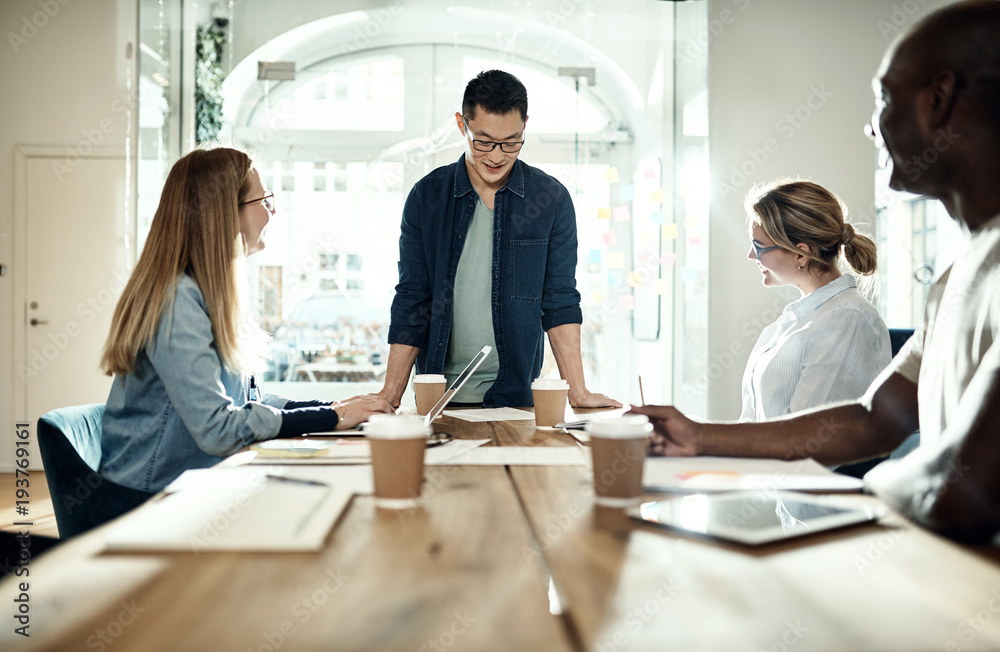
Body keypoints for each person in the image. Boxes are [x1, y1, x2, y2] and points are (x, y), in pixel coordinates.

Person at [631, 0, 1000, 542]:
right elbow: (872, 420)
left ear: (939, 99)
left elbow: (964, 491)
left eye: (883, 100)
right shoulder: (959, 269)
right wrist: (698, 436)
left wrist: (868, 491)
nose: (871, 128)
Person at [99, 147, 392, 493]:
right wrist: (335, 417)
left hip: (193, 483)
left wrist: (334, 408)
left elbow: (250, 400)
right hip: (147, 497)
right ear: (225, 213)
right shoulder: (178, 300)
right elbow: (218, 428)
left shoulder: (209, 293)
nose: (274, 210)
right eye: (265, 200)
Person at [377, 70, 620, 410]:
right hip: (438, 400)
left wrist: (577, 391)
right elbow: (412, 299)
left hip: (516, 397)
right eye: (484, 141)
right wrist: (389, 394)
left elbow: (560, 300)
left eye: (511, 143)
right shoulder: (427, 197)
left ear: (525, 127)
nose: (496, 156)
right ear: (462, 125)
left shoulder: (551, 199)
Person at [739, 179, 890, 422]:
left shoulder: (846, 320)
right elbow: (752, 422)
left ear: (801, 253)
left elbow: (803, 443)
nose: (750, 255)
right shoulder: (797, 319)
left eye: (758, 246)